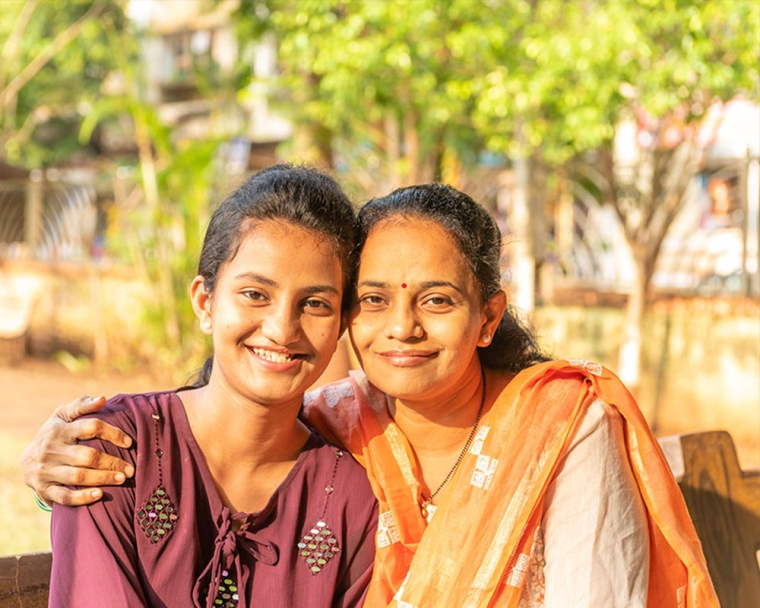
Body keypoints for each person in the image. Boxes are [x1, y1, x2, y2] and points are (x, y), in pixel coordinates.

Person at [23, 183, 718, 607]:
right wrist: (46, 466)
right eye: (374, 298)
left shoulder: (561, 428)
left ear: (488, 317)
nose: (402, 328)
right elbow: (212, 422)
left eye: (438, 300)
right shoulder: (338, 430)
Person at [42, 164, 378, 608]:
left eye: (314, 303)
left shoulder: (351, 498)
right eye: (255, 294)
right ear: (205, 303)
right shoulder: (113, 447)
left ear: (339, 326)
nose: (281, 329)